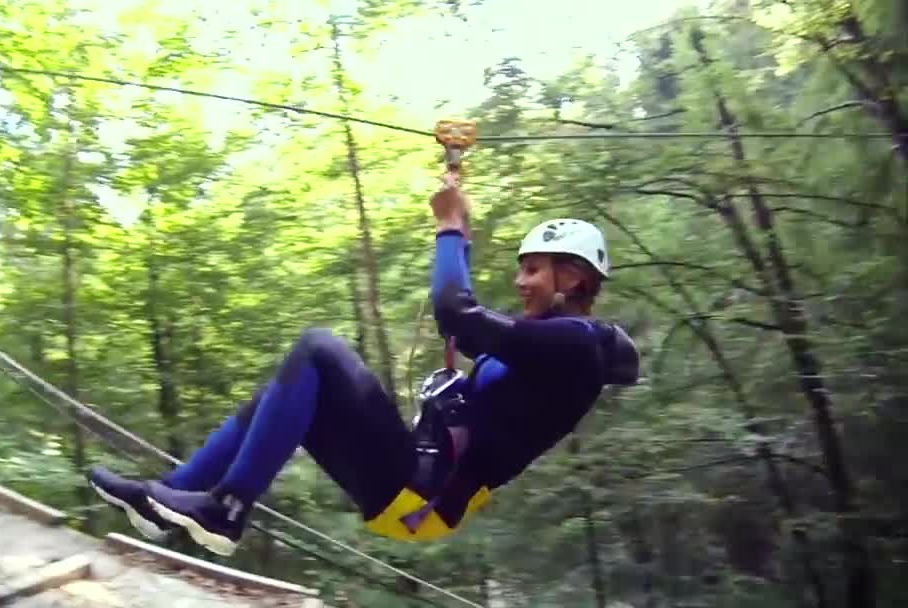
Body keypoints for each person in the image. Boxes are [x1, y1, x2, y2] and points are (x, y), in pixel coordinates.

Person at [88, 172, 640, 556]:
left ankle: (226, 508)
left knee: (318, 349)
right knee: (289, 387)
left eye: (535, 271)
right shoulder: (548, 344)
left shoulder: (576, 348)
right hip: (413, 487)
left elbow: (456, 312)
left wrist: (451, 229)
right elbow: (470, 326)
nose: (521, 282)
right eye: (522, 270)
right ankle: (171, 497)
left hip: (420, 498)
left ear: (575, 277)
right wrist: (459, 242)